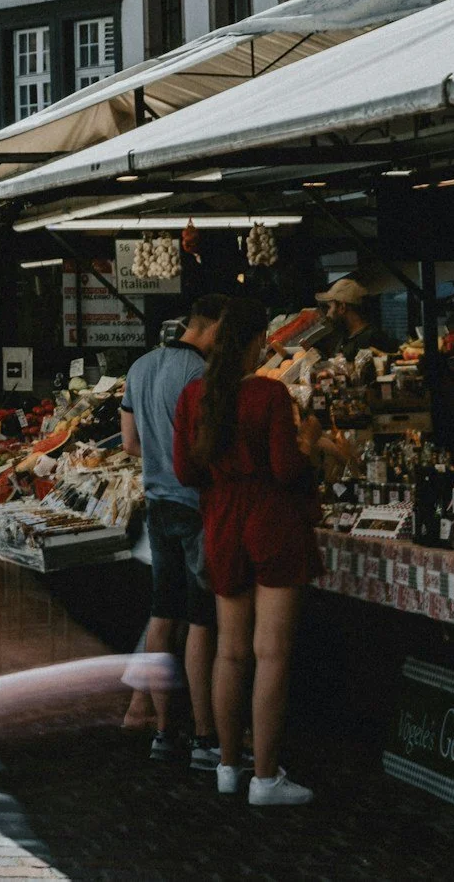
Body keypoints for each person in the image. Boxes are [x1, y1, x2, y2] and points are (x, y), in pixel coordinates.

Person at [175, 297, 320, 807]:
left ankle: (228, 766)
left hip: (221, 524)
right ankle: (265, 778)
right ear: (258, 342)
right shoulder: (269, 394)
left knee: (230, 652)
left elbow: (186, 473)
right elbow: (286, 469)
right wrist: (314, 453)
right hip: (271, 522)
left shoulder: (193, 396)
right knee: (271, 653)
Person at [119, 300, 222, 771]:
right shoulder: (200, 374)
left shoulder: (139, 368)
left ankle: (163, 731)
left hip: (157, 504)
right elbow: (207, 448)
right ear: (210, 326)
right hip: (197, 506)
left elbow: (129, 444)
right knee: (202, 620)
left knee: (163, 617)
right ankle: (205, 736)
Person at [314, 277, 382, 353]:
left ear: (342, 307)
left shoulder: (371, 340)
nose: (327, 314)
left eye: (329, 307)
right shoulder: (347, 338)